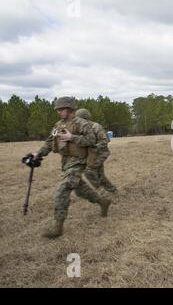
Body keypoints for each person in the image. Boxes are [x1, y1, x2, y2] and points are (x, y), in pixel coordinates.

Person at [32, 97, 112, 239]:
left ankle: (58, 228)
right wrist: (38, 154)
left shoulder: (81, 124)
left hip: (79, 162)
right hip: (66, 162)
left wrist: (72, 137)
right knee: (80, 189)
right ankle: (103, 201)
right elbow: (50, 142)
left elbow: (91, 140)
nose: (59, 112)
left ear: (69, 109)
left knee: (62, 190)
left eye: (61, 109)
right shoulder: (58, 125)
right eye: (58, 110)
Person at [75, 108, 117, 194]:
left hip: (100, 153)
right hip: (91, 155)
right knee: (100, 175)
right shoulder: (80, 128)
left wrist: (93, 147)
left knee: (88, 171)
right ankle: (113, 190)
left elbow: (104, 141)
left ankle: (100, 191)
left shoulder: (95, 126)